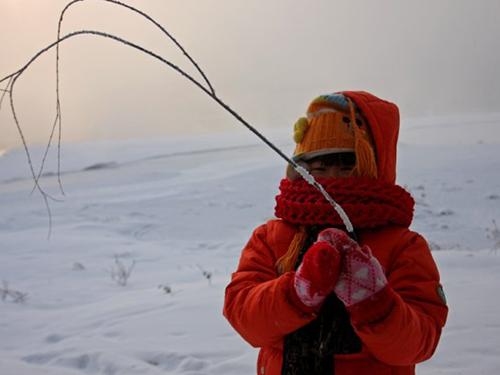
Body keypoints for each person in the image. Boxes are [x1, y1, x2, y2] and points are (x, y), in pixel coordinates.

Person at [223, 91, 448, 375]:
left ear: (372, 166)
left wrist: (376, 303)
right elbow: (245, 318)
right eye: (319, 166)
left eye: (347, 165)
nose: (332, 177)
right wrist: (296, 293)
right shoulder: (270, 237)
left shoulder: (402, 245)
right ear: (300, 170)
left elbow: (419, 343)